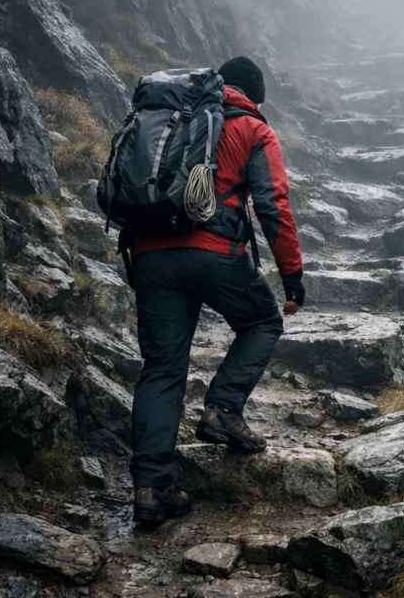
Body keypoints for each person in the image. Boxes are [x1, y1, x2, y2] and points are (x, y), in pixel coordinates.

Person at [127, 56, 305, 526]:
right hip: (213, 252)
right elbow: (272, 204)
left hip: (150, 254)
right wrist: (292, 275)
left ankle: (151, 489)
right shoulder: (252, 128)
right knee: (262, 321)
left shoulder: (167, 117)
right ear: (255, 96)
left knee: (162, 367)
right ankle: (223, 409)